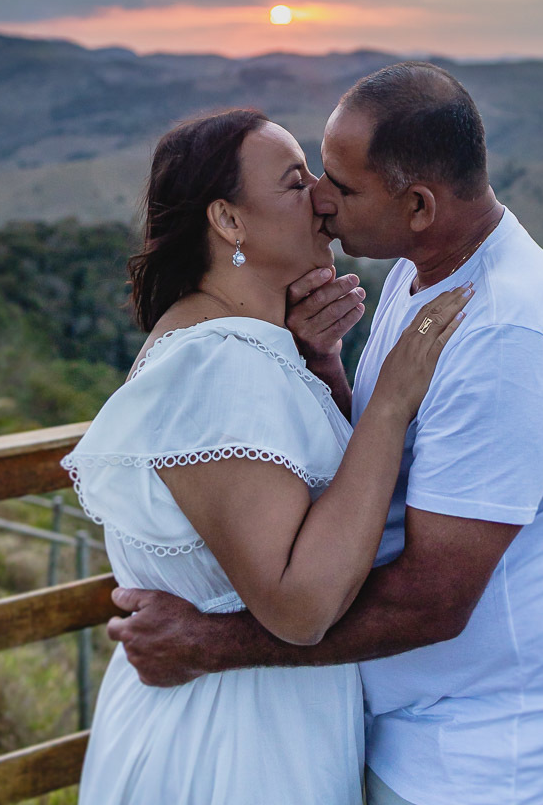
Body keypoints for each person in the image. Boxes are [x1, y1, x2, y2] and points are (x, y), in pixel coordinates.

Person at [109, 63, 543, 805]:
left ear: (417, 204)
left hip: (491, 755)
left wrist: (207, 644)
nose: (322, 202)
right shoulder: (418, 277)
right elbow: (388, 468)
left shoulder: (504, 336)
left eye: (339, 186)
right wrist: (326, 373)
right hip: (408, 724)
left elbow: (433, 598)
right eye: (307, 180)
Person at [62, 107, 468, 805]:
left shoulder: (239, 344)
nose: (321, 195)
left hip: (249, 720)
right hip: (234, 750)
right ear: (228, 221)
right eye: (292, 182)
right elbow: (299, 605)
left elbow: (309, 504)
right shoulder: (219, 367)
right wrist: (391, 404)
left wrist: (322, 366)